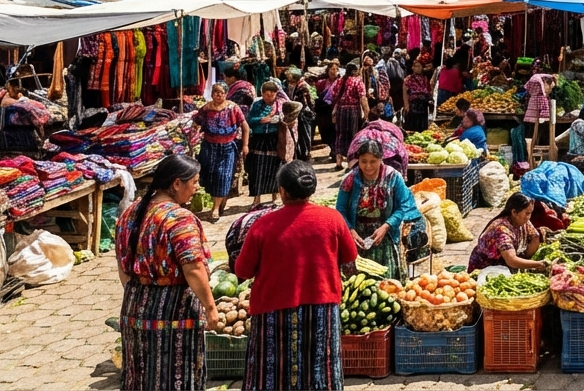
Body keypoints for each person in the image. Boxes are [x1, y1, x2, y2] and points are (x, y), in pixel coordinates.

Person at [236, 161, 356, 390]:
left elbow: (242, 270)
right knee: (320, 370)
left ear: (282, 190)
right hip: (321, 308)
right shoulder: (333, 219)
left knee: (272, 375)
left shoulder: (263, 225)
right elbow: (349, 257)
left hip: (272, 310)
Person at [115, 155, 214, 391]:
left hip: (134, 306)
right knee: (175, 376)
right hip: (173, 312)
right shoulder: (179, 219)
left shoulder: (130, 213)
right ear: (177, 183)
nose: (197, 188)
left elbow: (122, 266)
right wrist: (210, 308)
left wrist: (140, 295)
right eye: (195, 182)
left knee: (140, 377)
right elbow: (194, 267)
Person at [335, 137, 421, 281]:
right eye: (363, 161)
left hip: (384, 234)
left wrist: (387, 226)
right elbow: (340, 210)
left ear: (381, 159)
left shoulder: (393, 177)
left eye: (373, 161)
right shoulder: (350, 179)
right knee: (358, 283)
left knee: (386, 281)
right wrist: (350, 230)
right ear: (358, 160)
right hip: (357, 236)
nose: (368, 166)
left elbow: (404, 205)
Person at [192, 83, 249, 222]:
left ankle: (215, 208)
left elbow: (245, 127)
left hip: (227, 147)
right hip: (209, 146)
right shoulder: (206, 108)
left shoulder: (233, 108)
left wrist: (246, 145)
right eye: (216, 92)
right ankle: (219, 200)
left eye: (222, 92)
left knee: (223, 175)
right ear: (212, 94)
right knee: (210, 176)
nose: (218, 95)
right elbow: (196, 123)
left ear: (226, 94)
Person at [468, 192, 549, 271]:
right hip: (486, 268)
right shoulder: (501, 230)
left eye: (530, 213)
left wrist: (527, 259)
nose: (528, 217)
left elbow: (535, 236)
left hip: (503, 265)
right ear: (514, 212)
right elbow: (511, 260)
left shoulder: (522, 221)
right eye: (527, 213)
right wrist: (537, 264)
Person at [245, 81, 285, 209]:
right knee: (257, 168)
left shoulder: (280, 105)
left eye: (271, 94)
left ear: (275, 94)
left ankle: (275, 197)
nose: (269, 97)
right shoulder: (257, 105)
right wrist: (260, 120)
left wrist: (279, 120)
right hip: (259, 139)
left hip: (274, 139)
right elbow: (249, 120)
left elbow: (288, 119)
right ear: (262, 94)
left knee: (275, 167)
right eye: (266, 95)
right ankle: (257, 199)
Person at [331, 62, 368, 170]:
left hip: (340, 110)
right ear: (355, 71)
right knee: (353, 135)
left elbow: (333, 96)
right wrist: (367, 112)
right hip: (353, 110)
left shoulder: (339, 81)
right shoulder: (357, 81)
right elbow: (363, 98)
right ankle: (350, 163)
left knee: (340, 135)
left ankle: (338, 162)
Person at [284, 69, 316, 161]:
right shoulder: (294, 85)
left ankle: (305, 154)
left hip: (303, 113)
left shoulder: (302, 87)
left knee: (304, 134)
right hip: (298, 112)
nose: (290, 82)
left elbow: (303, 103)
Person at [315, 61, 340, 162]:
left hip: (336, 110)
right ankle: (332, 149)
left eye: (335, 69)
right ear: (328, 70)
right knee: (326, 131)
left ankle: (335, 152)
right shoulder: (322, 83)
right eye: (332, 69)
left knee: (336, 131)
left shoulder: (340, 82)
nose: (334, 72)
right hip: (325, 112)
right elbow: (316, 92)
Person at [402, 61, 431, 133]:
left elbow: (429, 90)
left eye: (419, 66)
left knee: (422, 124)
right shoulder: (409, 78)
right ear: (413, 68)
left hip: (423, 105)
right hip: (413, 105)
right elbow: (405, 91)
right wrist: (406, 105)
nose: (418, 68)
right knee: (412, 124)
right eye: (416, 66)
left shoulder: (425, 78)